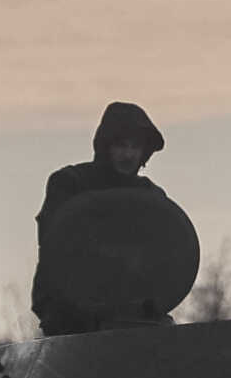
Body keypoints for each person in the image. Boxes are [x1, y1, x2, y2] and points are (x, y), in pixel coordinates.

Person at [31, 102, 169, 336]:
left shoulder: (151, 199)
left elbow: (165, 257)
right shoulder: (70, 184)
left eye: (135, 147)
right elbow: (56, 245)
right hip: (69, 310)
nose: (128, 154)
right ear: (106, 146)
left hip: (133, 311)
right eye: (121, 145)